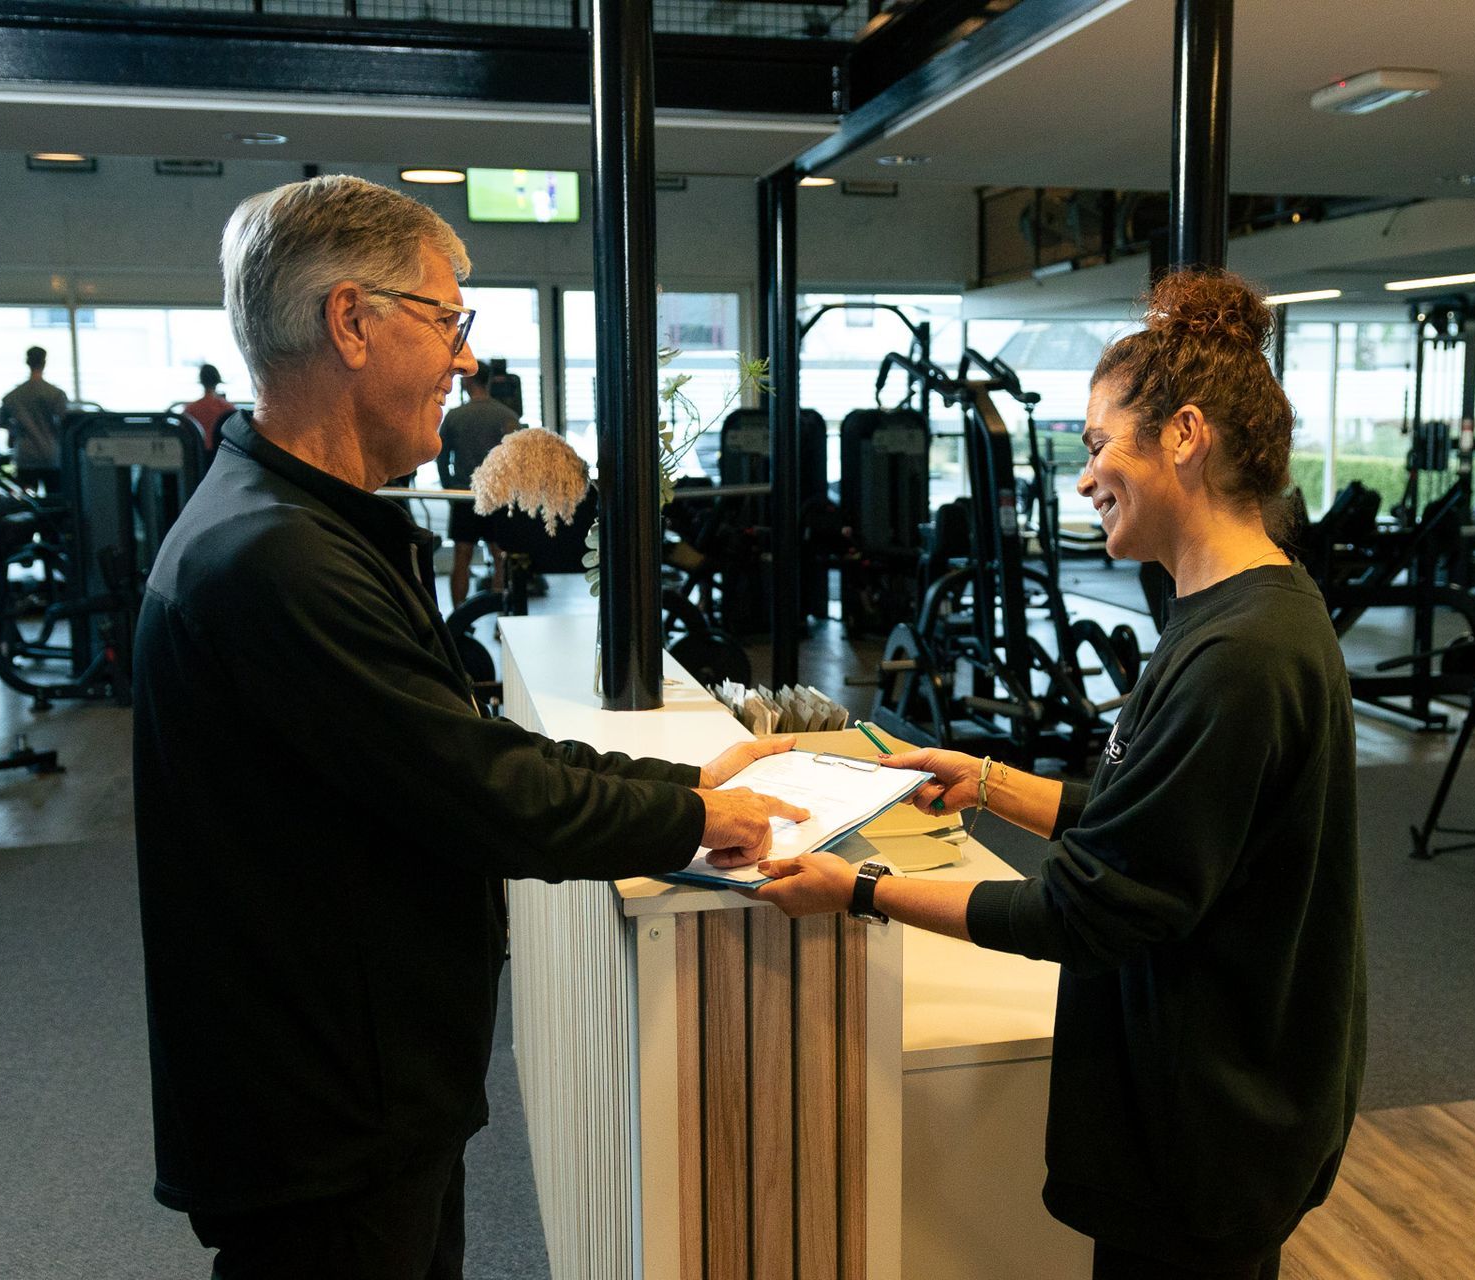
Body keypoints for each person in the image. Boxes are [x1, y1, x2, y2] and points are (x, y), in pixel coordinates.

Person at [130, 174, 806, 1279]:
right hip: (323, 1108)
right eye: (447, 319)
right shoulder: (273, 559)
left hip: (354, 1082)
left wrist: (684, 776)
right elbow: (476, 786)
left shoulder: (306, 527)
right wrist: (690, 813)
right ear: (351, 321)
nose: (463, 360)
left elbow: (449, 737)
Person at [756, 270, 1365, 1280]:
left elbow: (1095, 907)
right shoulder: (1219, 614)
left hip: (1210, 1116)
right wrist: (986, 779)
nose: (1083, 478)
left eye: (1095, 444)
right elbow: (1153, 821)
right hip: (1192, 1097)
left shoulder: (1246, 653)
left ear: (1182, 435)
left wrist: (858, 887)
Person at [434, 366, 520, 607]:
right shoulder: (507, 415)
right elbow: (516, 458)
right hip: (498, 496)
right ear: (490, 381)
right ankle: (501, 617)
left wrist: (449, 489)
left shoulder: (454, 416)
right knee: (500, 556)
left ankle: (459, 620)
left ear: (468, 382)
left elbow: (441, 458)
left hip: (465, 495)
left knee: (462, 557)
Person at [0, 345, 71, 492]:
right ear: (44, 363)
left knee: (27, 503)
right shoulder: (55, 394)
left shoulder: (13, 396)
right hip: (51, 456)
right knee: (54, 501)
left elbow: (4, 424)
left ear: (27, 362)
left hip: (25, 456)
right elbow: (65, 423)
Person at [183, 362, 237, 458]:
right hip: (222, 455)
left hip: (197, 457)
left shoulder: (190, 409)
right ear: (217, 380)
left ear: (201, 381)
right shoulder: (228, 408)